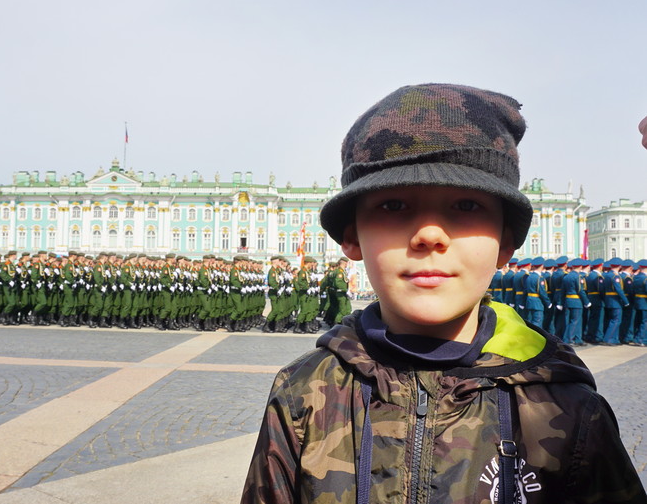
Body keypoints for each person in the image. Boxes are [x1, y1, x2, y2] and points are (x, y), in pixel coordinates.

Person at [242, 83, 645, 503]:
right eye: (393, 205)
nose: (430, 234)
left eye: (467, 205)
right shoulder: (303, 395)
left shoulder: (567, 407)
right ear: (352, 237)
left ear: (506, 242)